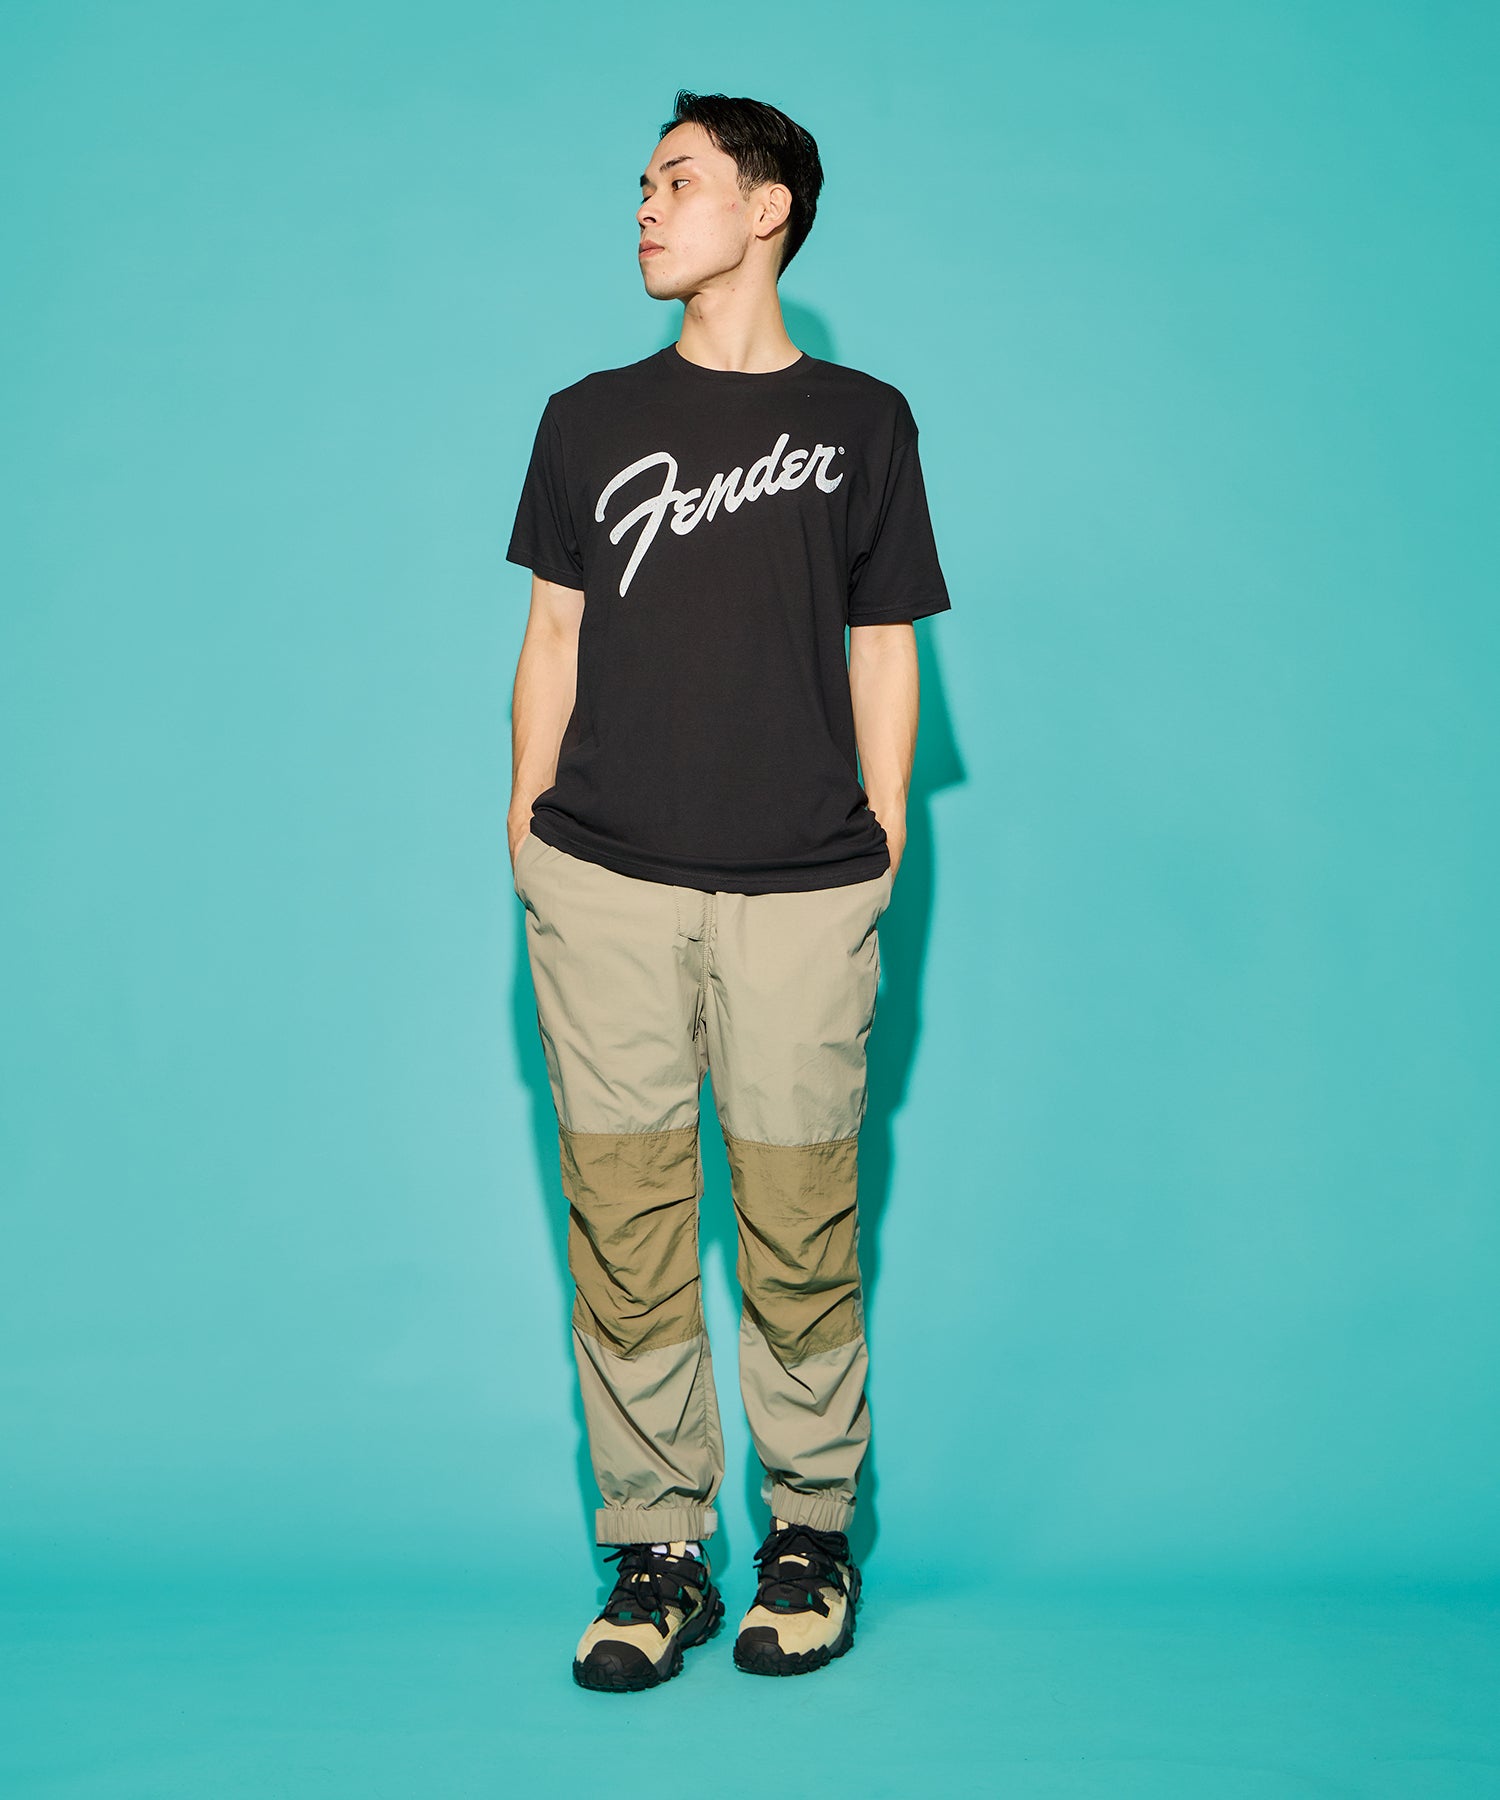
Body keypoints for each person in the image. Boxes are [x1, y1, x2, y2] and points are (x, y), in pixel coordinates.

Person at [504, 89, 951, 1690]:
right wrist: (527, 835)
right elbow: (554, 635)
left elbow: (884, 644)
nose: (643, 205)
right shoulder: (585, 420)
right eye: (640, 182)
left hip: (802, 893)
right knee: (626, 1228)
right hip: (603, 883)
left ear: (767, 210)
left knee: (799, 1223)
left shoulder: (864, 421)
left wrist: (880, 838)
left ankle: (809, 1541)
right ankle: (659, 1556)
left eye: (677, 180)